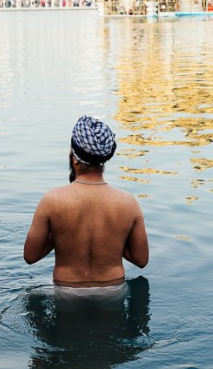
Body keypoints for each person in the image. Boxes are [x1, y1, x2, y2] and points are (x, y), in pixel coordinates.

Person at [24, 116, 148, 295]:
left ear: (74, 158)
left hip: (67, 290)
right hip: (112, 290)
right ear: (105, 158)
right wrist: (113, 238)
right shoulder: (128, 203)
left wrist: (62, 232)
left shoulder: (51, 201)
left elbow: (30, 256)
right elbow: (141, 259)